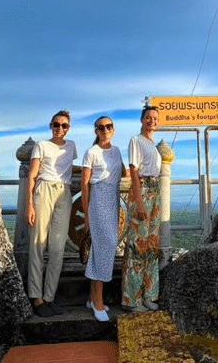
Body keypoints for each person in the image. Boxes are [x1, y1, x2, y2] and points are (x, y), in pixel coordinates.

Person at [25, 110, 77, 318]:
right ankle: (36, 298)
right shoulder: (41, 145)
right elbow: (32, 174)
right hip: (44, 190)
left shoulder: (71, 146)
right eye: (56, 125)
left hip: (64, 193)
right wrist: (30, 205)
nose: (60, 129)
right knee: (38, 244)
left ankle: (49, 297)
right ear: (51, 126)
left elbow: (70, 168)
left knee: (57, 247)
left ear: (68, 128)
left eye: (64, 125)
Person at [81, 116, 125, 322]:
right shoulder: (91, 152)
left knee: (105, 246)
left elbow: (123, 172)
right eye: (101, 127)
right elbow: (84, 184)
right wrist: (87, 215)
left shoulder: (116, 151)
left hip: (113, 199)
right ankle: (98, 302)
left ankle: (92, 298)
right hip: (98, 198)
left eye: (108, 126)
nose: (105, 130)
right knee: (104, 246)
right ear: (96, 131)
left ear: (113, 129)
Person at [122, 106, 163, 312]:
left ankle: (148, 295)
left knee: (151, 247)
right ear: (141, 119)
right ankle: (131, 300)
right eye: (148, 117)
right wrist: (139, 201)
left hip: (155, 192)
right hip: (142, 191)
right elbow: (134, 171)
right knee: (137, 246)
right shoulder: (136, 141)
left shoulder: (153, 144)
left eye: (155, 118)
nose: (152, 121)